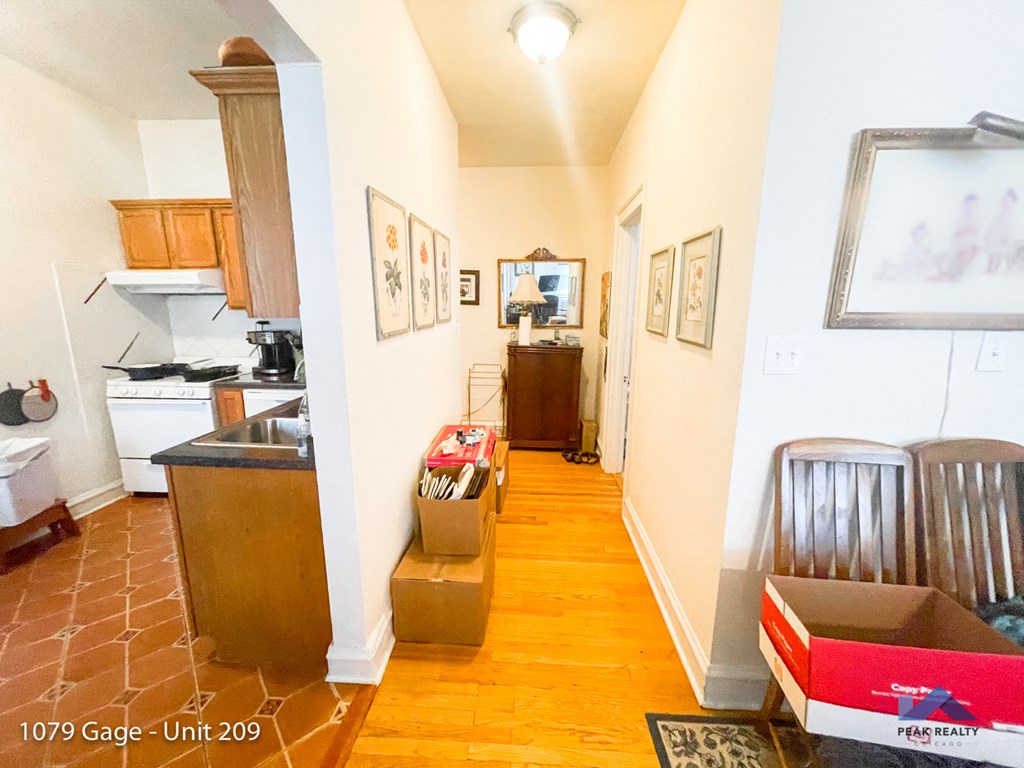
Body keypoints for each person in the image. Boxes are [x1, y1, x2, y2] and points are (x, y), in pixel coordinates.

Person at [985, 188, 1018, 273]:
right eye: (1004, 201)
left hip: (1003, 238)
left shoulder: (1010, 217)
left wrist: (1006, 237)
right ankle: (989, 268)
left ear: (1012, 203)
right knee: (992, 252)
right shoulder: (998, 215)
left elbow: (1010, 229)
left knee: (999, 253)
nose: (1005, 203)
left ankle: (996, 269)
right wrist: (988, 233)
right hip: (995, 236)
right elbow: (993, 225)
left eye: (1008, 201)